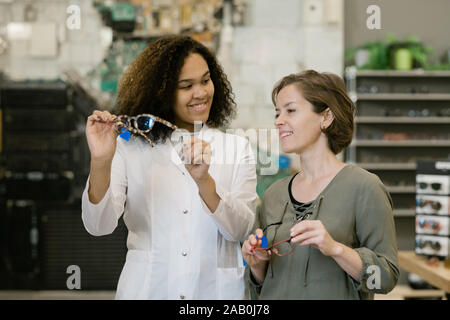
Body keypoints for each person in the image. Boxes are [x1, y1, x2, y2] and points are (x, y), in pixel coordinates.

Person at [82, 35, 258, 300]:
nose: (201, 93)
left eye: (206, 80)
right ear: (161, 92)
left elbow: (241, 229)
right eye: (186, 86)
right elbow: (99, 225)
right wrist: (101, 160)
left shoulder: (236, 147)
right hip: (148, 290)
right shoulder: (130, 149)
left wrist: (205, 182)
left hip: (213, 293)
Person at [242, 70, 399, 300]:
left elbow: (385, 278)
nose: (278, 121)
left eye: (291, 111)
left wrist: (335, 248)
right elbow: (263, 283)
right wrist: (257, 264)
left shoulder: (365, 187)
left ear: (326, 117)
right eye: (277, 113)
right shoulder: (274, 194)